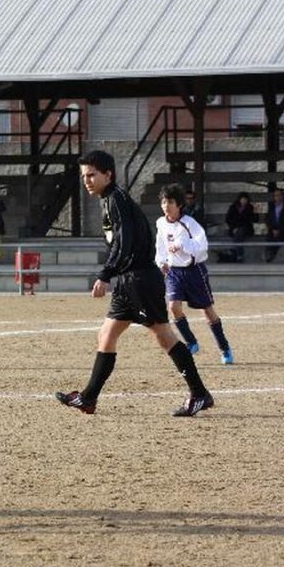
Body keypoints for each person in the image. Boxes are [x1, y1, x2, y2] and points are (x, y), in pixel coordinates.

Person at [55, 150, 213, 417]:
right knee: (106, 335)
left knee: (163, 336)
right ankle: (88, 398)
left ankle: (199, 394)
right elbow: (120, 242)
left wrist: (106, 273)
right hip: (128, 280)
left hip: (140, 279)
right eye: (84, 176)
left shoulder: (116, 199)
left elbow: (124, 241)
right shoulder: (109, 200)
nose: (87, 181)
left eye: (92, 175)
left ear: (108, 175)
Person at [155, 184, 234, 365]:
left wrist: (183, 245)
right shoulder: (161, 223)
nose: (166, 206)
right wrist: (162, 262)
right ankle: (191, 342)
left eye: (170, 202)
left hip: (194, 271)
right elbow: (160, 245)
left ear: (179, 205)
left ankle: (224, 348)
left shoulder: (190, 224)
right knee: (173, 307)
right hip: (174, 272)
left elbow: (202, 246)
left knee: (207, 310)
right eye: (164, 202)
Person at [264, 189, 284, 263]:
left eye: (279, 195)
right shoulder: (272, 206)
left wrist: (280, 231)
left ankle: (272, 254)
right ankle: (268, 253)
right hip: (273, 230)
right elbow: (268, 219)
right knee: (269, 237)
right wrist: (272, 229)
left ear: (282, 196)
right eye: (276, 196)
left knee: (279, 238)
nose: (277, 197)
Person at [224, 191, 256, 262]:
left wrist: (255, 212)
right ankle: (239, 254)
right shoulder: (233, 207)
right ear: (239, 199)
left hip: (246, 229)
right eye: (243, 199)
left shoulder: (250, 207)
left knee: (240, 232)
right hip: (234, 228)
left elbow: (252, 220)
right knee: (238, 234)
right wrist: (234, 227)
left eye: (246, 199)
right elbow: (228, 219)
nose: (244, 201)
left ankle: (235, 251)